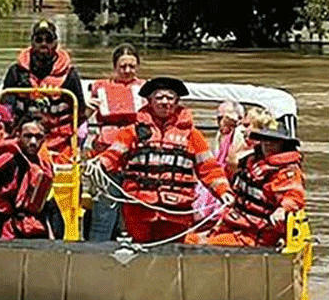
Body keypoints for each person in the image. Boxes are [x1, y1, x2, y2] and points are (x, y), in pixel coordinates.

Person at [94, 76, 232, 245]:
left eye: (170, 97)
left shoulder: (192, 135)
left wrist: (223, 191)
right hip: (139, 210)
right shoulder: (133, 131)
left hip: (176, 214)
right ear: (149, 101)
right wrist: (99, 164)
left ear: (177, 102)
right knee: (139, 253)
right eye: (159, 97)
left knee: (172, 256)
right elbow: (114, 155)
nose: (164, 102)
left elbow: (209, 168)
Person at [186, 127, 305, 248]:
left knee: (194, 244)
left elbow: (294, 196)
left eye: (274, 140)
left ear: (284, 144)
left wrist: (282, 210)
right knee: (188, 238)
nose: (268, 143)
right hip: (232, 224)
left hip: (254, 234)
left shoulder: (287, 172)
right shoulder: (250, 162)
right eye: (265, 139)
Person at [1, 19, 87, 163]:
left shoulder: (70, 75)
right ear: (32, 43)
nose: (44, 44)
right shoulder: (16, 72)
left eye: (49, 39)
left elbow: (80, 112)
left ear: (56, 43)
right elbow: (6, 109)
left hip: (57, 140)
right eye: (39, 39)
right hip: (22, 138)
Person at [85, 44, 145, 241]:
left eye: (132, 66)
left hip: (136, 158)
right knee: (104, 211)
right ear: (114, 67)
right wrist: (86, 109)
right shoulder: (100, 89)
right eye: (123, 66)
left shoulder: (145, 89)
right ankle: (96, 250)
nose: (128, 71)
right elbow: (79, 121)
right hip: (106, 159)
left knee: (133, 211)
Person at [192, 100, 243, 219]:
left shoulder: (238, 133)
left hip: (229, 180)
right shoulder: (220, 135)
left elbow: (233, 162)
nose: (219, 122)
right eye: (218, 119)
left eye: (221, 118)